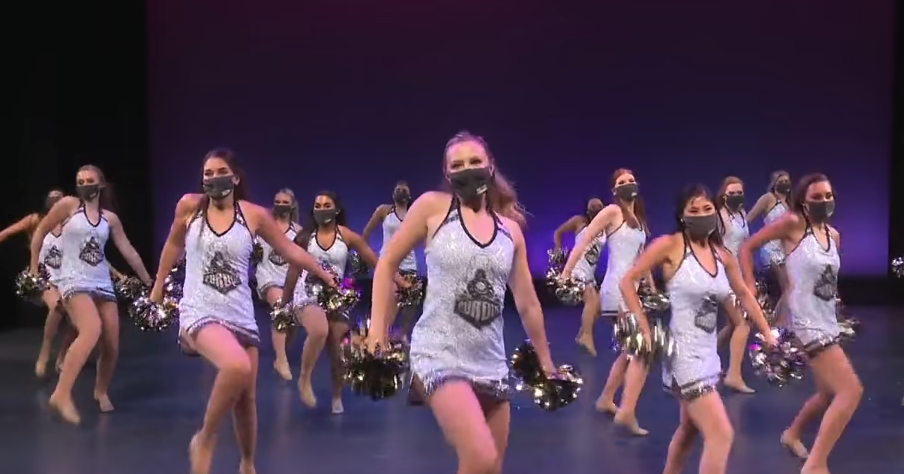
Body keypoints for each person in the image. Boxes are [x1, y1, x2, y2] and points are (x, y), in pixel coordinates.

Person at [366, 131, 556, 474]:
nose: (467, 169)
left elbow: (527, 302)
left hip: (490, 361)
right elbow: (386, 264)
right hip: (439, 354)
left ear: (491, 165)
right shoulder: (431, 207)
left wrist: (545, 360)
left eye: (474, 161)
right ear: (447, 171)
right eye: (457, 164)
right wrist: (377, 332)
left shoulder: (510, 230)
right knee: (481, 457)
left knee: (490, 467)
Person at [148, 149, 334, 474]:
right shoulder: (189, 207)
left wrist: (320, 270)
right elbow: (173, 245)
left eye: (220, 171)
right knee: (235, 365)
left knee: (246, 401)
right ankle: (205, 438)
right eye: (207, 173)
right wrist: (158, 285)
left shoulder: (254, 214)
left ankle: (247, 464)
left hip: (240, 312)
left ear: (235, 177)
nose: (213, 178)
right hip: (200, 307)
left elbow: (289, 249)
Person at [620, 183, 775, 474]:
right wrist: (642, 324)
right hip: (683, 355)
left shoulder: (723, 256)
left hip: (708, 356)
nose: (702, 214)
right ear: (682, 216)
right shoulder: (670, 245)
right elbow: (628, 280)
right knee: (721, 434)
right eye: (694, 209)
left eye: (708, 209)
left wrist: (767, 332)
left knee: (689, 430)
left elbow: (742, 294)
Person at [740, 173, 861, 474]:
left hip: (827, 319)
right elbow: (747, 247)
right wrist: (749, 285)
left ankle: (792, 434)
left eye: (828, 196)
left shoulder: (833, 236)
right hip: (804, 322)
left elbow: (827, 279)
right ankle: (815, 464)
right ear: (803, 202)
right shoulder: (793, 224)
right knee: (851, 391)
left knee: (827, 394)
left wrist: (836, 301)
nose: (823, 201)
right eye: (816, 197)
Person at [29, 165, 152, 424]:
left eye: (90, 180)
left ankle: (101, 390)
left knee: (111, 345)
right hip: (73, 280)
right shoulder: (68, 206)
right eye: (80, 181)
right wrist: (33, 267)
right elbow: (40, 231)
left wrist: (150, 281)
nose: (84, 184)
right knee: (90, 329)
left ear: (101, 184)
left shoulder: (110, 218)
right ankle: (61, 393)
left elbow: (128, 250)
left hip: (102, 283)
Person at [282, 190, 405, 414]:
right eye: (317, 205)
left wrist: (399, 279)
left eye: (326, 205)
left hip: (337, 296)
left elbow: (376, 261)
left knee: (339, 352)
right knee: (319, 330)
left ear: (336, 209)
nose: (321, 209)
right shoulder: (305, 237)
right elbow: (293, 269)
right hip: (308, 291)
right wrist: (284, 301)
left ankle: (337, 396)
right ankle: (304, 379)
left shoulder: (346, 236)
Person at [562, 168, 653, 436]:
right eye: (621, 182)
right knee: (640, 349)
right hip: (617, 289)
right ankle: (626, 411)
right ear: (613, 190)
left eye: (630, 180)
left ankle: (606, 398)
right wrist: (567, 271)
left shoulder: (638, 218)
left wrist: (652, 286)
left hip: (634, 290)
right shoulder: (612, 212)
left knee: (630, 351)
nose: (627, 184)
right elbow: (585, 239)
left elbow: (642, 256)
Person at [0, 188, 69, 377]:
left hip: (66, 278)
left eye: (59, 197)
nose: (55, 199)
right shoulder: (35, 220)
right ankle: (44, 354)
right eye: (52, 197)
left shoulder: (70, 224)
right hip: (42, 277)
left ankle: (63, 356)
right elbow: (6, 233)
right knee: (57, 306)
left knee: (77, 322)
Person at [361, 180, 421, 341]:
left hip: (409, 266)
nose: (401, 191)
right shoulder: (384, 210)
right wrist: (369, 256)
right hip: (388, 266)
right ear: (393, 193)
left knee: (410, 304)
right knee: (389, 307)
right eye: (398, 189)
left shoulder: (415, 214)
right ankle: (379, 340)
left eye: (404, 189)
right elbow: (366, 233)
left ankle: (401, 335)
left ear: (409, 196)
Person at [254, 188, 301, 380]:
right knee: (281, 308)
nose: (280, 205)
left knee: (294, 319)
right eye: (277, 201)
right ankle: (281, 360)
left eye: (284, 202)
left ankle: (281, 351)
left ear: (292, 205)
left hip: (290, 280)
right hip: (267, 278)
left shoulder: (298, 231)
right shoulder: (264, 226)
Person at [714, 176, 755, 393]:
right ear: (723, 195)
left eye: (740, 192)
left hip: (739, 274)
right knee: (743, 323)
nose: (737, 196)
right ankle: (733, 375)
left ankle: (707, 360)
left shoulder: (741, 215)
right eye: (732, 193)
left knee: (733, 324)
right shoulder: (719, 217)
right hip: (725, 275)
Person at [552, 197, 607, 355]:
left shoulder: (606, 227)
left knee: (597, 308)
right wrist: (558, 249)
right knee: (591, 300)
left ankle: (581, 334)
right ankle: (587, 338)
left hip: (590, 272)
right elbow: (558, 232)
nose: (596, 208)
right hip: (577, 269)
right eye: (592, 206)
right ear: (587, 210)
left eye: (599, 206)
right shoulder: (579, 222)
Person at [746, 170, 792, 325]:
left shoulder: (790, 203)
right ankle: (776, 325)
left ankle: (779, 324)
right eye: (781, 180)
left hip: (786, 251)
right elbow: (749, 219)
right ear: (774, 182)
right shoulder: (768, 199)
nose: (784, 183)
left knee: (788, 290)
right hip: (771, 249)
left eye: (787, 180)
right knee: (788, 287)